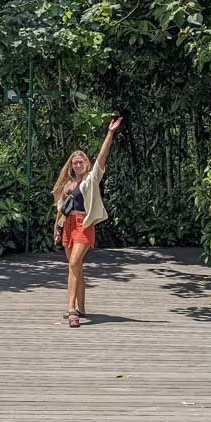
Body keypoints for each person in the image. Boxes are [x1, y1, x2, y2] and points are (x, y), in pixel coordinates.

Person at [52, 117, 123, 328]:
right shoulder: (66, 184)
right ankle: (82, 308)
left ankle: (71, 309)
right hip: (68, 225)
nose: (78, 163)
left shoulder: (91, 179)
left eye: (81, 160)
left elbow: (102, 157)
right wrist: (56, 227)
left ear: (86, 163)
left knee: (74, 263)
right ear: (71, 166)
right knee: (76, 268)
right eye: (75, 161)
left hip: (84, 224)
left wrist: (109, 134)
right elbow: (61, 208)